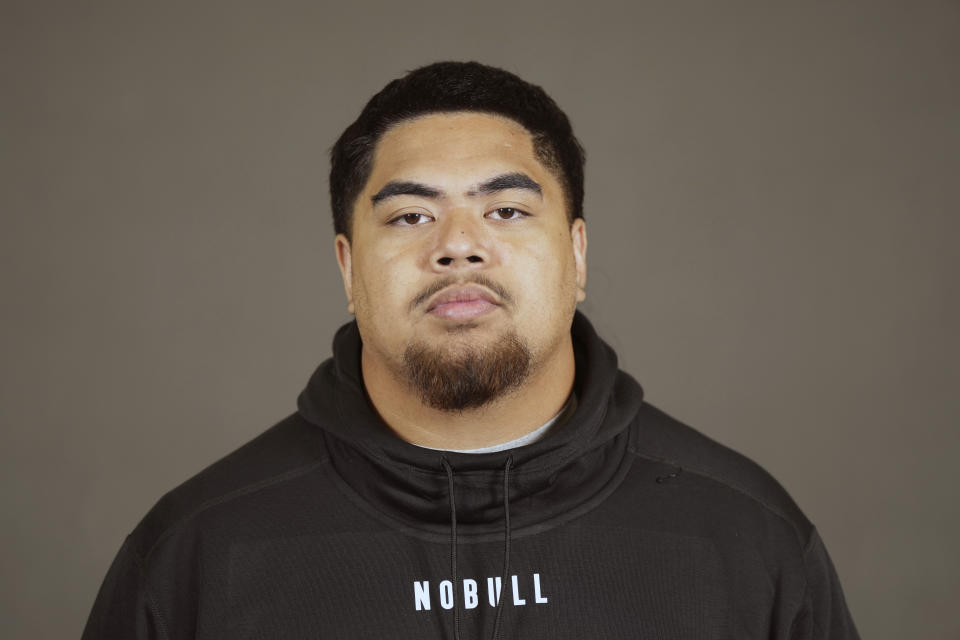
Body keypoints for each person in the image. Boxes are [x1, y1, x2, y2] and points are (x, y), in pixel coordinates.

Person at [82, 61, 859, 639]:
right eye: (411, 218)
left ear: (577, 256)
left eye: (508, 209)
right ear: (349, 268)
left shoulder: (744, 538)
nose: (459, 247)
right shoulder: (199, 552)